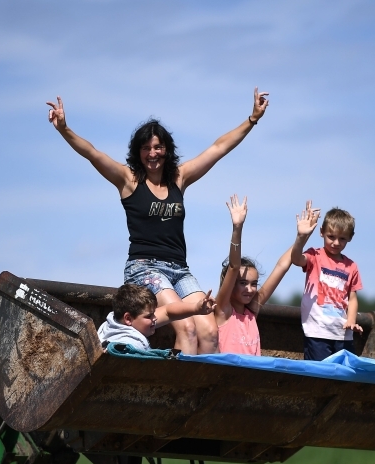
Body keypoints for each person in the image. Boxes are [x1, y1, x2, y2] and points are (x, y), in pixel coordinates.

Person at [45, 89, 269, 355]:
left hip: (179, 269)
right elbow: (93, 153)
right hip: (144, 268)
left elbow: (218, 148)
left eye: (158, 147)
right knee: (186, 327)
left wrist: (252, 119)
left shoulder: (178, 178)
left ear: (167, 150)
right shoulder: (128, 180)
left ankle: (204, 392)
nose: (153, 153)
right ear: (138, 152)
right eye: (147, 148)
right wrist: (64, 129)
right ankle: (180, 391)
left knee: (209, 329)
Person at [214, 196, 320, 355]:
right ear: (230, 284)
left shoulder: (251, 311)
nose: (250, 289)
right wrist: (237, 228)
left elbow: (282, 266)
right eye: (243, 283)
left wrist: (302, 237)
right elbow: (233, 267)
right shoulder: (223, 310)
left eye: (254, 283)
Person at [290, 207, 364, 361]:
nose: (336, 242)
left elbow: (352, 298)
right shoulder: (315, 255)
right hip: (318, 331)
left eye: (342, 238)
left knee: (344, 375)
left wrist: (351, 321)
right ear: (321, 231)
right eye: (331, 236)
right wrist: (300, 237)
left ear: (351, 237)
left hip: (343, 334)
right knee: (320, 373)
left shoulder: (352, 266)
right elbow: (296, 259)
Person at [97, 283, 216, 351]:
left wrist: (196, 309)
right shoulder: (133, 346)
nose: (155, 318)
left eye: (154, 313)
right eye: (149, 316)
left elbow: (167, 311)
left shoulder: (110, 324)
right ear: (128, 319)